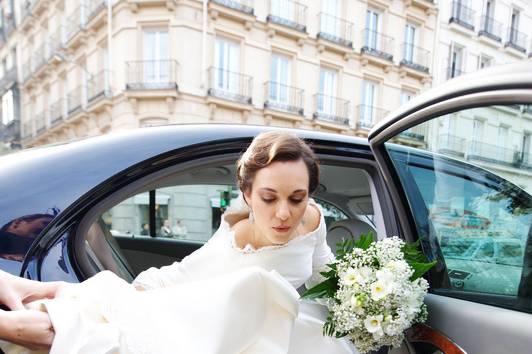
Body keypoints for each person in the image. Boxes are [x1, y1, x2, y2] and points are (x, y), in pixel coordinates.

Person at [0, 131, 357, 354]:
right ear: (247, 194)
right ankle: (20, 302)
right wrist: (141, 290)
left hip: (286, 332)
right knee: (117, 312)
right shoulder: (234, 231)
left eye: (296, 197)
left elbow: (322, 269)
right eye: (269, 198)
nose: (284, 213)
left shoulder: (312, 218)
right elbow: (191, 271)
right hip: (222, 323)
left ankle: (24, 298)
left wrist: (359, 299)